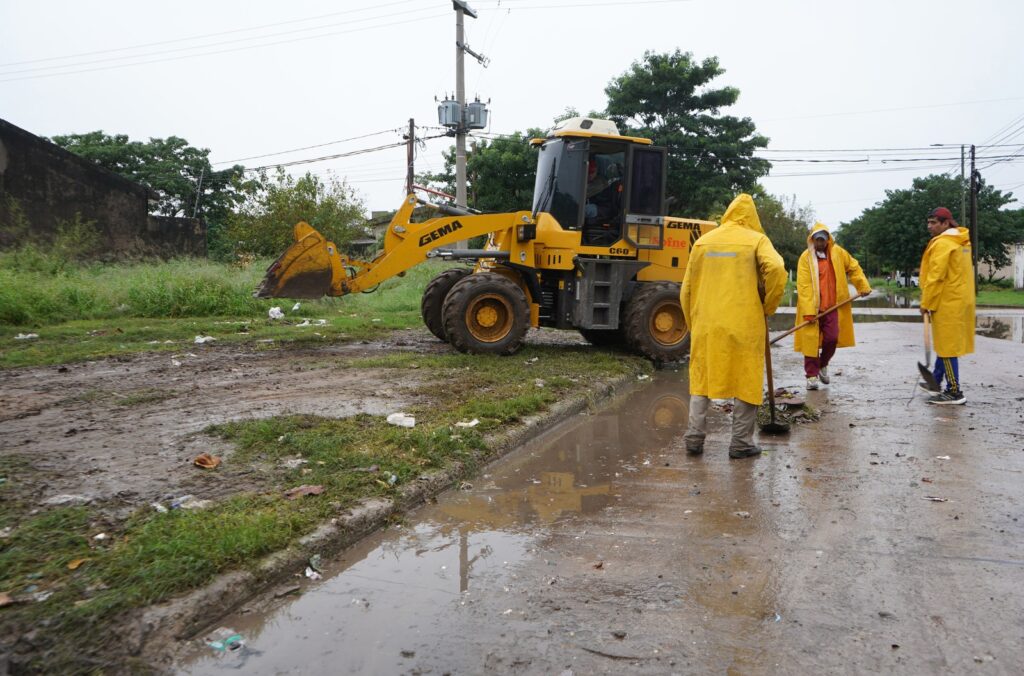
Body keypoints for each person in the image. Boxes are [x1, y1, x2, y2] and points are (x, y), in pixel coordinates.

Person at [680, 193, 787, 459]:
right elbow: (776, 268)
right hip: (744, 324)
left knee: (701, 381)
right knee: (745, 379)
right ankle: (740, 443)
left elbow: (686, 290)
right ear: (752, 217)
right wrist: (768, 306)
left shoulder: (702, 242)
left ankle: (694, 439)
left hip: (706, 324)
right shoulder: (756, 240)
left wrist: (694, 324)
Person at [794, 223, 872, 390]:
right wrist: (808, 311)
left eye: (822, 240)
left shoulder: (839, 253)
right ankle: (811, 376)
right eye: (817, 240)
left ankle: (823, 364)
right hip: (812, 309)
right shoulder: (805, 258)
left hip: (832, 307)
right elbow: (804, 285)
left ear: (828, 239)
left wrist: (862, 285)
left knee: (832, 338)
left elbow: (854, 267)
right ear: (812, 240)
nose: (820, 243)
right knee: (810, 343)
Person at [919, 206, 975, 405]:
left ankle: (954, 391)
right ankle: (935, 380)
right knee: (945, 344)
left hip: (947, 301)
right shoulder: (961, 241)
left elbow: (936, 277)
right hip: (958, 300)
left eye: (934, 222)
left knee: (947, 348)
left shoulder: (944, 243)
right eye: (928, 222)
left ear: (946, 223)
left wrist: (926, 302)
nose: (929, 226)